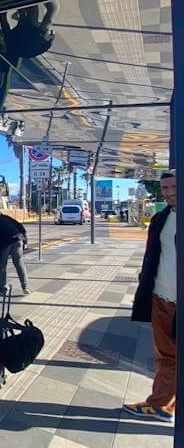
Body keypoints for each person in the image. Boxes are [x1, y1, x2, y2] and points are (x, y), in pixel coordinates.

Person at [124, 172, 177, 423]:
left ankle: (163, 404)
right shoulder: (161, 218)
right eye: (165, 187)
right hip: (160, 297)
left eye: (174, 186)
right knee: (165, 355)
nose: (169, 192)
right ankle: (162, 404)